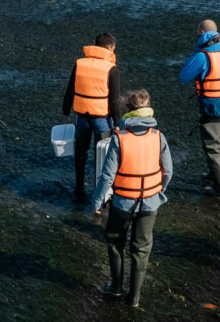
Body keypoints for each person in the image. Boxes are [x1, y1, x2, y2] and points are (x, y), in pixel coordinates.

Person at [91, 89, 173, 308]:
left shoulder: (119, 139)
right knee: (142, 250)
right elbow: (168, 172)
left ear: (128, 111)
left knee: (115, 243)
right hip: (150, 202)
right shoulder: (159, 137)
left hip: (122, 204)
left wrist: (97, 202)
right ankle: (134, 298)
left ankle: (116, 288)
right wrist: (158, 193)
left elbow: (107, 176)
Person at [177, 19, 220, 199]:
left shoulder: (202, 56)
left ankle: (219, 190)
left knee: (213, 148)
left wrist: (199, 55)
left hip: (212, 107)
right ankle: (213, 175)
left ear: (201, 34)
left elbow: (183, 77)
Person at [63, 33, 123, 204]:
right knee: (103, 158)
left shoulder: (79, 64)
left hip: (82, 117)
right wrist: (118, 123)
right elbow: (114, 100)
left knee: (81, 153)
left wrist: (65, 111)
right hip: (102, 119)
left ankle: (79, 188)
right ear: (110, 48)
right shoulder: (112, 69)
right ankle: (101, 194)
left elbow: (70, 89)